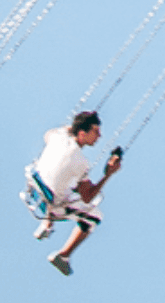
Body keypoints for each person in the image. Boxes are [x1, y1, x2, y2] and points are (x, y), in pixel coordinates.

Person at [32, 110, 122, 276]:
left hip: (35, 188)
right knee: (95, 216)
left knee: (67, 182)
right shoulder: (80, 162)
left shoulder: (57, 135)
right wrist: (108, 174)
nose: (99, 136)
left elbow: (51, 135)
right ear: (82, 133)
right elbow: (88, 197)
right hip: (52, 202)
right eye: (95, 131)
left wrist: (72, 128)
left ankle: (47, 224)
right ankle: (63, 256)